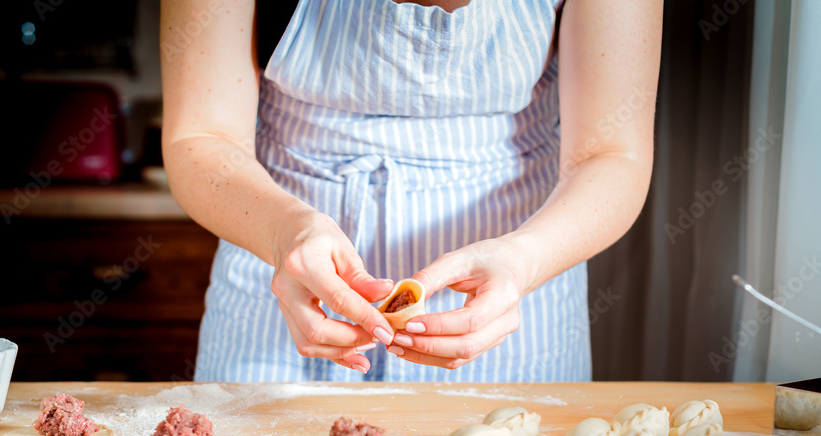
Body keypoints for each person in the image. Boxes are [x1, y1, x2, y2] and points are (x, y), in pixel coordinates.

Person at [161, 0, 662, 382]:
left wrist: (523, 261)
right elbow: (201, 136)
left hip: (511, 303)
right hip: (280, 294)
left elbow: (612, 153)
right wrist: (282, 231)